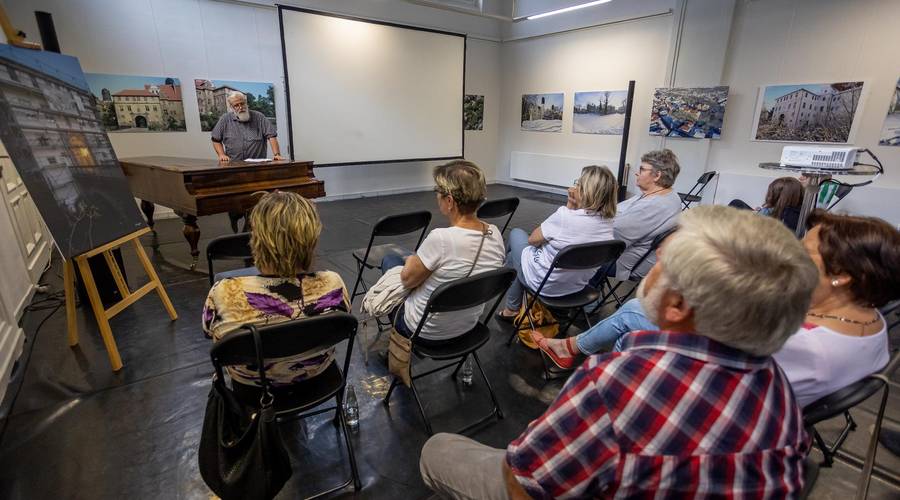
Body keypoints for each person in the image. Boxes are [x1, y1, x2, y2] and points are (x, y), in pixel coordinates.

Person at [420, 206, 817, 498]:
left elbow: (524, 482)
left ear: (676, 305)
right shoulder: (780, 392)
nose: (651, 270)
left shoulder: (620, 384)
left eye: (662, 262)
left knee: (438, 450)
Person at [539, 209, 899, 408]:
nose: (789, 262)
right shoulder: (871, 321)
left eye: (802, 255)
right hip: (766, 408)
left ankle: (598, 381)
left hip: (712, 405)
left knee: (636, 312)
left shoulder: (808, 346)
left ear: (843, 276)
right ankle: (575, 351)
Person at [201, 191, 350, 387]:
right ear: (311, 239)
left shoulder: (224, 293)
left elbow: (207, 332)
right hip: (317, 379)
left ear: (257, 238)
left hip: (252, 391)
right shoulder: (333, 285)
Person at [381, 160, 505, 343]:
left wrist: (411, 262)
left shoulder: (440, 239)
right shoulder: (494, 233)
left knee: (390, 260)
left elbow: (407, 280)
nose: (436, 196)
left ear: (449, 201)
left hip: (424, 332)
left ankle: (399, 346)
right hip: (468, 326)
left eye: (438, 191)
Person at [496, 165, 617, 321]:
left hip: (546, 285)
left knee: (516, 234)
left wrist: (569, 208)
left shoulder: (564, 217)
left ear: (587, 191)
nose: (575, 186)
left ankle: (510, 303)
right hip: (576, 287)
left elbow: (532, 240)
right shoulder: (608, 223)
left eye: (579, 183)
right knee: (514, 257)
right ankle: (511, 307)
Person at [597, 149, 682, 284]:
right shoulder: (668, 195)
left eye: (642, 169)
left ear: (657, 175)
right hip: (646, 258)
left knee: (580, 252)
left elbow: (614, 237)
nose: (637, 172)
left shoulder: (654, 205)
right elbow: (621, 209)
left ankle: (584, 297)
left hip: (629, 263)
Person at [210, 91, 284, 232]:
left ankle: (248, 231)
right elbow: (215, 139)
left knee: (255, 202)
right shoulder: (225, 120)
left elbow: (272, 136)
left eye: (242, 103)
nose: (240, 107)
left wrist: (277, 154)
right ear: (232, 107)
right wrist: (221, 154)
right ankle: (235, 218)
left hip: (256, 169)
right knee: (237, 203)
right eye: (236, 105)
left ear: (246, 103)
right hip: (235, 169)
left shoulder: (259, 117)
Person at [728, 176, 803, 231]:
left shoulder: (768, 212)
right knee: (737, 203)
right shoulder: (797, 210)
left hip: (755, 226)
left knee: (735, 205)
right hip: (765, 217)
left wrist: (759, 212)